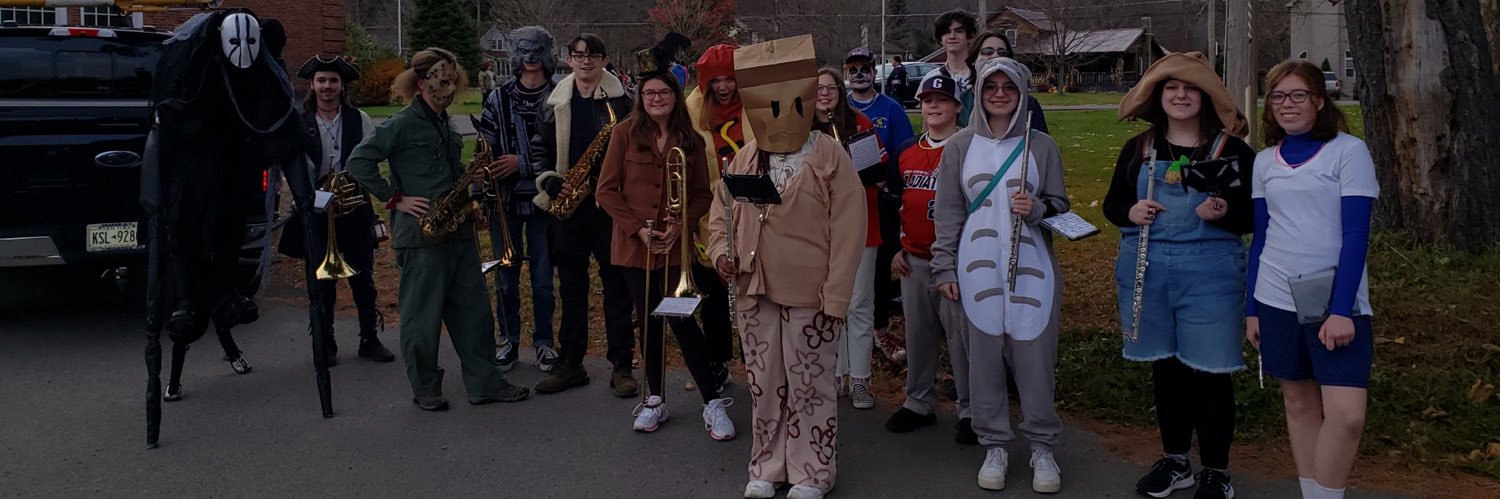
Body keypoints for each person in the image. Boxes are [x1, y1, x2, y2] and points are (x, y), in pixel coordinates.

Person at [707, 35, 865, 499]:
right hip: (755, 289)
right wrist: (720, 250)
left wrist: (836, 296)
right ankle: (768, 466)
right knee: (765, 382)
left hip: (810, 292)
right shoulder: (747, 155)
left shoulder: (828, 156)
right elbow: (722, 209)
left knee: (810, 383)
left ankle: (812, 470)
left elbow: (850, 231)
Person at [1103, 52, 1256, 499]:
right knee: (1166, 370)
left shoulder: (1232, 152)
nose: (1181, 95)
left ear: (1206, 96)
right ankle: (1175, 462)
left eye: (1190, 88)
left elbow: (1253, 216)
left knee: (1208, 372)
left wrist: (1225, 212)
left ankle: (1216, 470)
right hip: (1147, 271)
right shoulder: (1139, 149)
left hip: (1210, 274)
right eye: (1172, 88)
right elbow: (1114, 206)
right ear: (1158, 96)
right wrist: (1131, 211)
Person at [345, 47, 531, 410]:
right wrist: (394, 198)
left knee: (475, 312)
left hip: (457, 231)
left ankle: (484, 383)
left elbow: (443, 174)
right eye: (440, 80)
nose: (447, 88)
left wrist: (469, 180)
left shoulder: (446, 122)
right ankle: (426, 387)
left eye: (451, 80)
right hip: (421, 236)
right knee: (422, 318)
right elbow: (358, 160)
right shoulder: (400, 123)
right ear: (419, 83)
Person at [930, 57, 1068, 493]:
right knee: (983, 360)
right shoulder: (958, 146)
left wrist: (1039, 208)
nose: (1000, 94)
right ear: (980, 92)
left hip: (1033, 272)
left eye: (1009, 87)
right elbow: (948, 213)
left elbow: (1061, 207)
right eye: (992, 87)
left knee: (1035, 361)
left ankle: (1043, 448)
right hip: (975, 269)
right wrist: (943, 266)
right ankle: (995, 445)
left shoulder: (1041, 145)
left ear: (1023, 92)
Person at [1247, 59, 1377, 499]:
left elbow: (1356, 234)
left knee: (1346, 414)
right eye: (1279, 96)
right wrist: (1251, 309)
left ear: (1320, 101)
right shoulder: (1264, 162)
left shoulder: (1349, 151)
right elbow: (1261, 237)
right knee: (1299, 403)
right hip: (1275, 297)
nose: (1288, 104)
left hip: (1337, 303)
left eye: (1299, 95)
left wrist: (1342, 309)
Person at [595, 47, 734, 439]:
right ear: (641, 98)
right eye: (650, 94)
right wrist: (637, 229)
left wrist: (681, 225)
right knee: (650, 327)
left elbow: (705, 195)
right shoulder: (623, 134)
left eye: (664, 93)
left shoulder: (689, 140)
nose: (657, 99)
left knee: (683, 321)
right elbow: (606, 192)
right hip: (634, 248)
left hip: (675, 250)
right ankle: (654, 399)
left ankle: (711, 402)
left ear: (676, 98)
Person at [529, 34, 639, 397]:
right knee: (572, 288)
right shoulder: (553, 101)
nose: (586, 61)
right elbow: (538, 149)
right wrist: (549, 181)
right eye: (579, 55)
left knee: (617, 288)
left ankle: (622, 366)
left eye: (593, 55)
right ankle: (571, 363)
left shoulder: (624, 102)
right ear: (569, 59)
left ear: (604, 59)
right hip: (568, 207)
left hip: (609, 208)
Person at [276, 54, 396, 368]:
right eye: (321, 81)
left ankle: (369, 338)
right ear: (312, 86)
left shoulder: (360, 119)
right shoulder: (300, 123)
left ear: (342, 86)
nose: (327, 86)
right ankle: (324, 340)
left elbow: (370, 159)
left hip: (354, 208)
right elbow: (289, 165)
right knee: (322, 281)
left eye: (333, 81)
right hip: (315, 211)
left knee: (363, 278)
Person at [884, 74, 977, 443]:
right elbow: (893, 203)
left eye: (942, 99)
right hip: (915, 260)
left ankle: (970, 409)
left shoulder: (971, 148)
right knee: (918, 336)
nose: (934, 106)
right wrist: (895, 248)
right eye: (927, 100)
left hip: (957, 262)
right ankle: (918, 402)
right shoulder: (907, 149)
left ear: (957, 106)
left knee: (962, 340)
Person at [477, 26, 560, 373]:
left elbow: (563, 152)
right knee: (506, 277)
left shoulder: (560, 97)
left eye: (535, 51)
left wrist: (521, 164)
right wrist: (486, 173)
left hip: (543, 202)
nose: (529, 59)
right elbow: (487, 146)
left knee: (542, 278)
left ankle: (544, 342)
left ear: (545, 55)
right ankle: (508, 340)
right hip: (505, 203)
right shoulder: (497, 98)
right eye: (523, 52)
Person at [814, 67, 887, 411]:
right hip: (816, 232)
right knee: (827, 304)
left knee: (858, 303)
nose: (824, 93)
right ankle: (834, 373)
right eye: (818, 89)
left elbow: (879, 173)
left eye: (830, 88)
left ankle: (859, 378)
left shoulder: (859, 124)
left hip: (861, 225)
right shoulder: (802, 130)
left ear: (840, 93)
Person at [684, 43, 750, 387]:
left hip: (754, 210)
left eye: (730, 79)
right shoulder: (691, 109)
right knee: (713, 290)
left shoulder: (756, 103)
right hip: (710, 213)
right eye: (716, 81)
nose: (724, 87)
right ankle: (717, 361)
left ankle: (758, 362)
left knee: (754, 290)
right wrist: (691, 218)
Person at [845, 47, 915, 365]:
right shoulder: (839, 109)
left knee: (879, 266)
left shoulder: (892, 108)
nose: (859, 73)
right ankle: (846, 329)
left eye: (865, 68)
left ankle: (879, 328)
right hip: (843, 203)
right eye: (853, 68)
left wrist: (893, 187)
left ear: (875, 72)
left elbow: (905, 153)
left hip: (881, 199)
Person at [968, 31, 1049, 134]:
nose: (995, 56)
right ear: (974, 59)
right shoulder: (964, 101)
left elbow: (1039, 142)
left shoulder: (1028, 103)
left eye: (1002, 53)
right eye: (988, 51)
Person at [927, 10, 979, 125]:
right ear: (940, 39)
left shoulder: (981, 75)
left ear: (969, 37)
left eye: (959, 31)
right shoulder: (931, 78)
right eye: (946, 32)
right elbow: (927, 123)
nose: (952, 36)